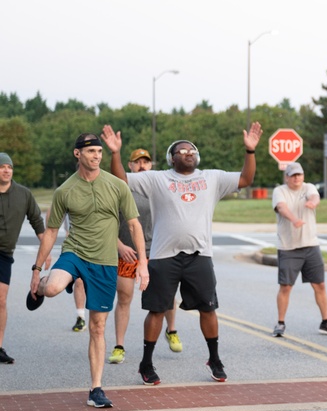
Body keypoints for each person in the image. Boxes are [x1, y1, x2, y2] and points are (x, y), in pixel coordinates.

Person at [102, 122, 262, 385]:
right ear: (171, 158)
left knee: (208, 309)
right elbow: (122, 179)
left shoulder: (211, 178)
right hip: (164, 256)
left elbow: (245, 179)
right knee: (157, 310)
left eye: (192, 150)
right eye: (182, 151)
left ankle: (214, 358)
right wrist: (115, 153)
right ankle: (147, 363)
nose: (188, 153)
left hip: (199, 255)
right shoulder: (157, 179)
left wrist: (250, 151)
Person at [28, 134, 148, 408]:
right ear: (77, 154)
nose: (96, 155)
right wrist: (37, 269)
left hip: (105, 263)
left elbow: (133, 225)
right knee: (54, 287)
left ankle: (96, 389)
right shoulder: (65, 191)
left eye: (99, 151)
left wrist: (142, 262)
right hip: (75, 253)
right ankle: (44, 285)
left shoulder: (117, 186)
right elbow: (50, 231)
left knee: (97, 326)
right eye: (91, 151)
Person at [110, 148, 182, 364]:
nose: (142, 166)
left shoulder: (160, 188)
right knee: (124, 297)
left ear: (151, 165)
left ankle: (171, 330)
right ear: (130, 166)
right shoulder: (120, 188)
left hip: (158, 252)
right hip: (128, 253)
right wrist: (119, 245)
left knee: (166, 296)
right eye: (137, 162)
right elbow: (107, 223)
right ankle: (119, 346)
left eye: (146, 162)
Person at [272, 161, 327, 338]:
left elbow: (315, 197)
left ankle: (326, 322)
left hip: (311, 245)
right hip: (288, 247)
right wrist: (294, 219)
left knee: (319, 284)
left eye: (299, 174)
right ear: (287, 177)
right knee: (286, 287)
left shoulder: (309, 187)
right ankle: (280, 323)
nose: (297, 178)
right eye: (293, 175)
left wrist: (313, 202)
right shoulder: (279, 191)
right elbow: (281, 208)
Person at [0, 152, 48, 364]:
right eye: (2, 167)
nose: (6, 170)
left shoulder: (23, 194)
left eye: (9, 167)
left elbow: (37, 222)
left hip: (5, 254)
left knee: (1, 300)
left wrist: (44, 252)